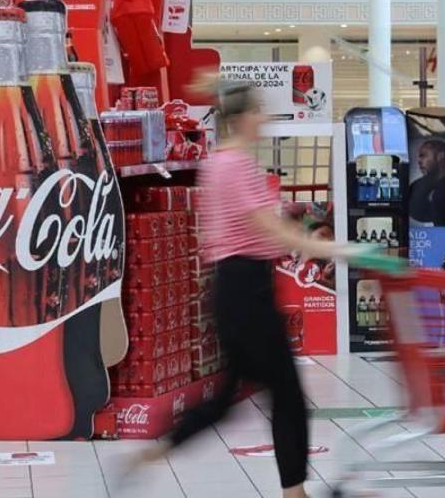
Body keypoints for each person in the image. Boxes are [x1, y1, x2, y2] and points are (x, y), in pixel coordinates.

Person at [128, 84, 359, 498]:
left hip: (233, 288)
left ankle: (159, 449)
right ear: (239, 119)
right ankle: (295, 493)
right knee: (286, 393)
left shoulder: (218, 164)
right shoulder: (236, 166)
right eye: (257, 112)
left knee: (228, 395)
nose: (263, 119)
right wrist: (333, 247)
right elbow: (266, 226)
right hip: (247, 289)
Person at [408, 139, 445, 226]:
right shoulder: (418, 187)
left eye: (423, 155)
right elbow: (417, 212)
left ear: (440, 156)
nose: (419, 161)